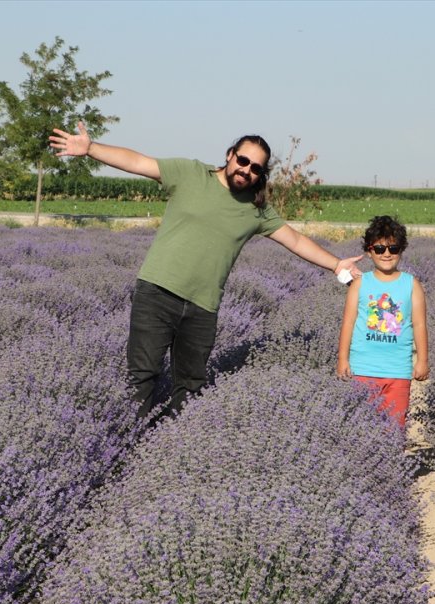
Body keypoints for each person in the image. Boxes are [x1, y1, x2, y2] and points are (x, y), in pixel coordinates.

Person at [49, 122, 362, 420]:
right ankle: (128, 441)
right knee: (141, 378)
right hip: (157, 294)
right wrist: (91, 149)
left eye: (256, 168)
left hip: (202, 308)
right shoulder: (190, 174)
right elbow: (138, 162)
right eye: (243, 160)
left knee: (190, 388)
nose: (246, 170)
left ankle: (169, 448)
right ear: (230, 155)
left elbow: (294, 240)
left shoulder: (256, 209)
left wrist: (335, 264)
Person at [336, 216, 428, 430]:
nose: (386, 254)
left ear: (401, 250)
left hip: (398, 371)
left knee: (394, 429)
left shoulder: (411, 284)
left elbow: (420, 325)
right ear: (369, 251)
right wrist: (342, 359)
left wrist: (422, 361)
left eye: (393, 248)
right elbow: (348, 323)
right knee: (360, 427)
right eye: (379, 249)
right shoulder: (360, 284)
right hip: (362, 369)